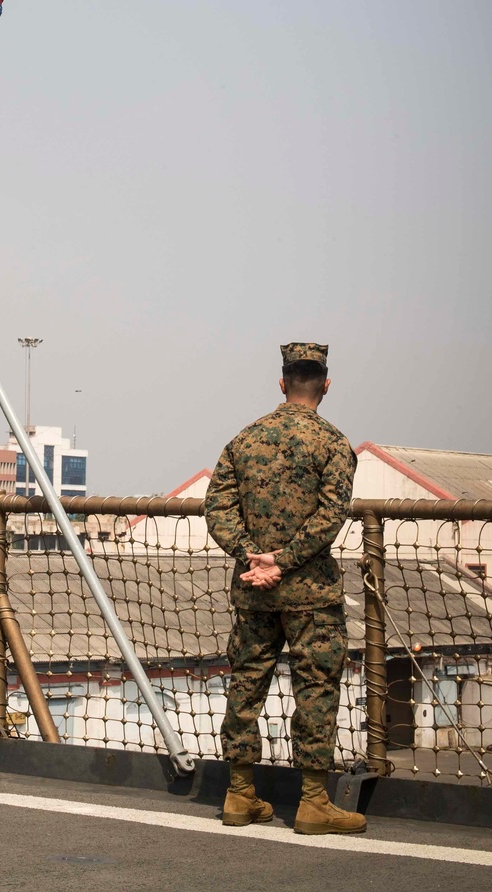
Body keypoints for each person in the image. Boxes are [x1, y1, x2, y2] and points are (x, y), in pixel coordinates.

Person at [204, 342, 364, 835]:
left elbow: (216, 510)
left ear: (282, 383)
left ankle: (238, 795)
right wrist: (286, 561)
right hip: (311, 592)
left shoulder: (243, 440)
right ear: (326, 385)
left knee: (246, 682)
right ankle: (314, 804)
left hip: (253, 590)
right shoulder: (334, 444)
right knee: (315, 688)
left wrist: (254, 557)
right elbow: (330, 517)